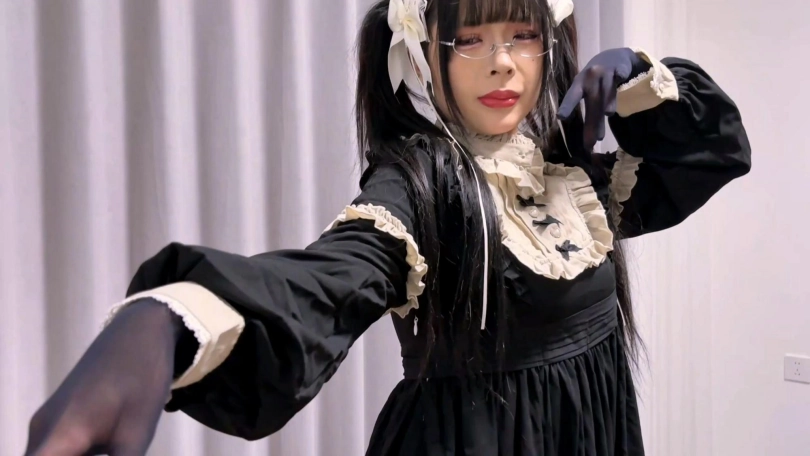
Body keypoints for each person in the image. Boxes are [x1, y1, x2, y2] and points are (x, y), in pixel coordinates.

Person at [23, 0, 751, 454]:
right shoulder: (420, 178)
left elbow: (712, 156)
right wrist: (171, 319)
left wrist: (642, 81)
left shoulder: (570, 170)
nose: (502, 63)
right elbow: (333, 277)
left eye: (522, 35)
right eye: (470, 40)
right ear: (425, 52)